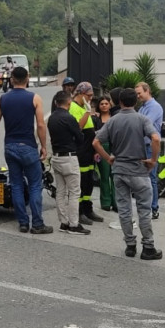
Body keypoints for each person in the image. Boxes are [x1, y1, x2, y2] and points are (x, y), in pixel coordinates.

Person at [93, 88, 163, 260]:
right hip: (138, 170)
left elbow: (96, 142)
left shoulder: (113, 121)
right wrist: (153, 160)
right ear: (135, 102)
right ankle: (148, 247)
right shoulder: (142, 119)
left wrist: (108, 158)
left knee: (124, 210)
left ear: (119, 102)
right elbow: (155, 138)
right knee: (144, 210)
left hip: (119, 170)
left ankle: (130, 245)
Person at [0, 66, 53, 234]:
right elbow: (40, 124)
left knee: (16, 184)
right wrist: (44, 146)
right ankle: (37, 224)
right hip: (28, 147)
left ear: (12, 79)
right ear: (28, 78)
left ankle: (23, 223)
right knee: (35, 185)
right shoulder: (35, 98)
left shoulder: (3, 99)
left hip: (10, 147)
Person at [46, 90, 88, 234]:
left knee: (61, 192)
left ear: (56, 103)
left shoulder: (51, 118)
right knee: (74, 192)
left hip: (56, 157)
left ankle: (63, 222)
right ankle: (74, 224)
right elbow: (80, 137)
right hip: (69, 157)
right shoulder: (69, 118)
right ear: (69, 102)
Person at [69, 81, 104, 225]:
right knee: (81, 182)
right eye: (89, 95)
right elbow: (78, 128)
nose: (91, 98)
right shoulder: (73, 107)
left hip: (89, 151)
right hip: (80, 150)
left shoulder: (84, 107)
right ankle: (79, 211)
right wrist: (87, 112)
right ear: (81, 94)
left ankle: (88, 209)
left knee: (89, 181)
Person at [135, 82, 163, 219]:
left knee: (151, 178)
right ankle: (146, 206)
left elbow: (145, 124)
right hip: (143, 145)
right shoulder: (143, 107)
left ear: (147, 91)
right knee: (143, 177)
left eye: (140, 93)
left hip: (151, 146)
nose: (138, 96)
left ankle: (153, 208)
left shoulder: (155, 107)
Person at [93, 95, 116, 212]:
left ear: (110, 105)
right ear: (98, 106)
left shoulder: (115, 117)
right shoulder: (95, 119)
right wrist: (96, 151)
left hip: (114, 149)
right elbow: (94, 137)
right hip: (101, 148)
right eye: (101, 104)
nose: (104, 105)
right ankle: (106, 202)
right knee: (104, 176)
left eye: (106, 103)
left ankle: (116, 203)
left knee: (115, 176)